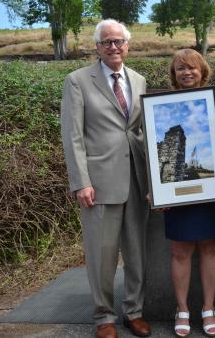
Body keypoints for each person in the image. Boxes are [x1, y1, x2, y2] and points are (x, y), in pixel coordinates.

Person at [61, 19, 151, 338]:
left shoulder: (139, 80)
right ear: (97, 47)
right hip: (98, 184)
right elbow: (72, 136)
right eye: (106, 42)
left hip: (137, 182)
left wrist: (156, 182)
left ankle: (134, 311)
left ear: (128, 45)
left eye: (118, 41)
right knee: (102, 254)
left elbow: (142, 132)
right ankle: (104, 317)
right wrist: (80, 181)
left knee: (137, 253)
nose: (113, 47)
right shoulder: (77, 81)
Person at [163, 49, 215, 338]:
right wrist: (156, 189)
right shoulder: (164, 103)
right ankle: (182, 309)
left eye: (192, 68)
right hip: (175, 185)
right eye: (180, 69)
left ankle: (209, 308)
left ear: (202, 70)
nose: (186, 73)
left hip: (213, 183)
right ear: (174, 74)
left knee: (210, 246)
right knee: (179, 248)